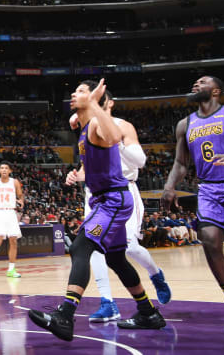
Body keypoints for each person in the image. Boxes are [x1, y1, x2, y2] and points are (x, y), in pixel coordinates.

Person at [28, 79, 165, 341]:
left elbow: (113, 137)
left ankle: (65, 316)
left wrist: (92, 104)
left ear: (93, 99)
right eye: (75, 90)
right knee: (115, 259)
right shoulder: (82, 127)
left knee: (80, 247)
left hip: (113, 200)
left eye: (80, 91)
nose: (73, 93)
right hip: (103, 200)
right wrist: (78, 175)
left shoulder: (96, 127)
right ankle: (148, 312)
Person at [67, 91, 172, 322]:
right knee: (91, 248)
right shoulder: (85, 128)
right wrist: (77, 175)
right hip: (96, 193)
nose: (81, 96)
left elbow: (140, 161)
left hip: (122, 191)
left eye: (87, 93)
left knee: (129, 248)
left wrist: (112, 143)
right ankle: (107, 302)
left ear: (108, 103)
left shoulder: (121, 126)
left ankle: (155, 275)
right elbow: (88, 166)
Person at [161, 75, 224, 334]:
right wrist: (169, 187)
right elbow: (180, 163)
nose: (196, 85)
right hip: (209, 189)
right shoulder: (185, 124)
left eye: (202, 82)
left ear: (216, 91)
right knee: (210, 242)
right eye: (195, 83)